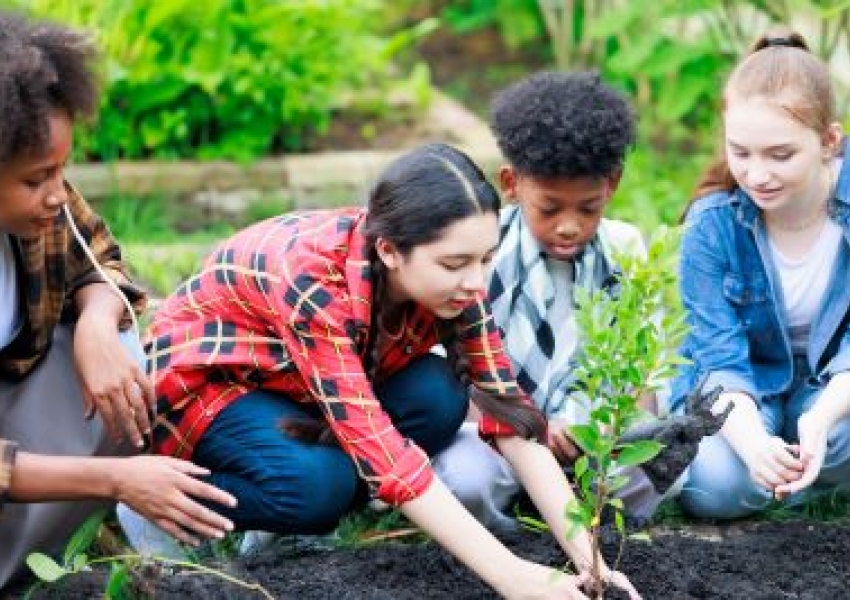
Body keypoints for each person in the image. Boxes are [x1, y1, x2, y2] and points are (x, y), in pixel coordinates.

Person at [127, 143, 640, 598]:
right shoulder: (314, 283)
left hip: (295, 382)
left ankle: (304, 483)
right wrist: (513, 578)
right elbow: (388, 458)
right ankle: (167, 502)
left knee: (440, 396)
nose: (477, 283)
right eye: (456, 264)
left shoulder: (455, 278)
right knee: (316, 489)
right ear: (391, 251)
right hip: (211, 388)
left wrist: (588, 558)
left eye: (487, 259)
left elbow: (510, 412)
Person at [0, 11, 235, 589]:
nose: (57, 193)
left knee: (124, 355)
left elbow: (101, 258)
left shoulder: (45, 208)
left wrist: (98, 326)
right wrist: (115, 480)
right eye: (36, 179)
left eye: (62, 170)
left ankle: (63, 535)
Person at [433, 72, 668, 532]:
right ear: (511, 183)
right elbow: (453, 380)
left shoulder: (625, 249)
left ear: (613, 185)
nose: (568, 226)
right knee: (465, 481)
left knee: (658, 465)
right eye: (550, 208)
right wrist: (530, 428)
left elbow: (642, 377)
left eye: (588, 208)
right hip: (493, 432)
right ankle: (523, 526)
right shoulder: (481, 251)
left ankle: (583, 508)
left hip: (591, 439)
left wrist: (597, 429)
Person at [670, 28, 850, 520]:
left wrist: (822, 416)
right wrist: (751, 444)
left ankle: (801, 454)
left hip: (836, 387)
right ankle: (791, 465)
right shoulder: (712, 225)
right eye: (741, 152)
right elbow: (716, 356)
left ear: (829, 141)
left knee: (831, 436)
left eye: (781, 155)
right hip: (746, 387)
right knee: (716, 486)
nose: (756, 175)